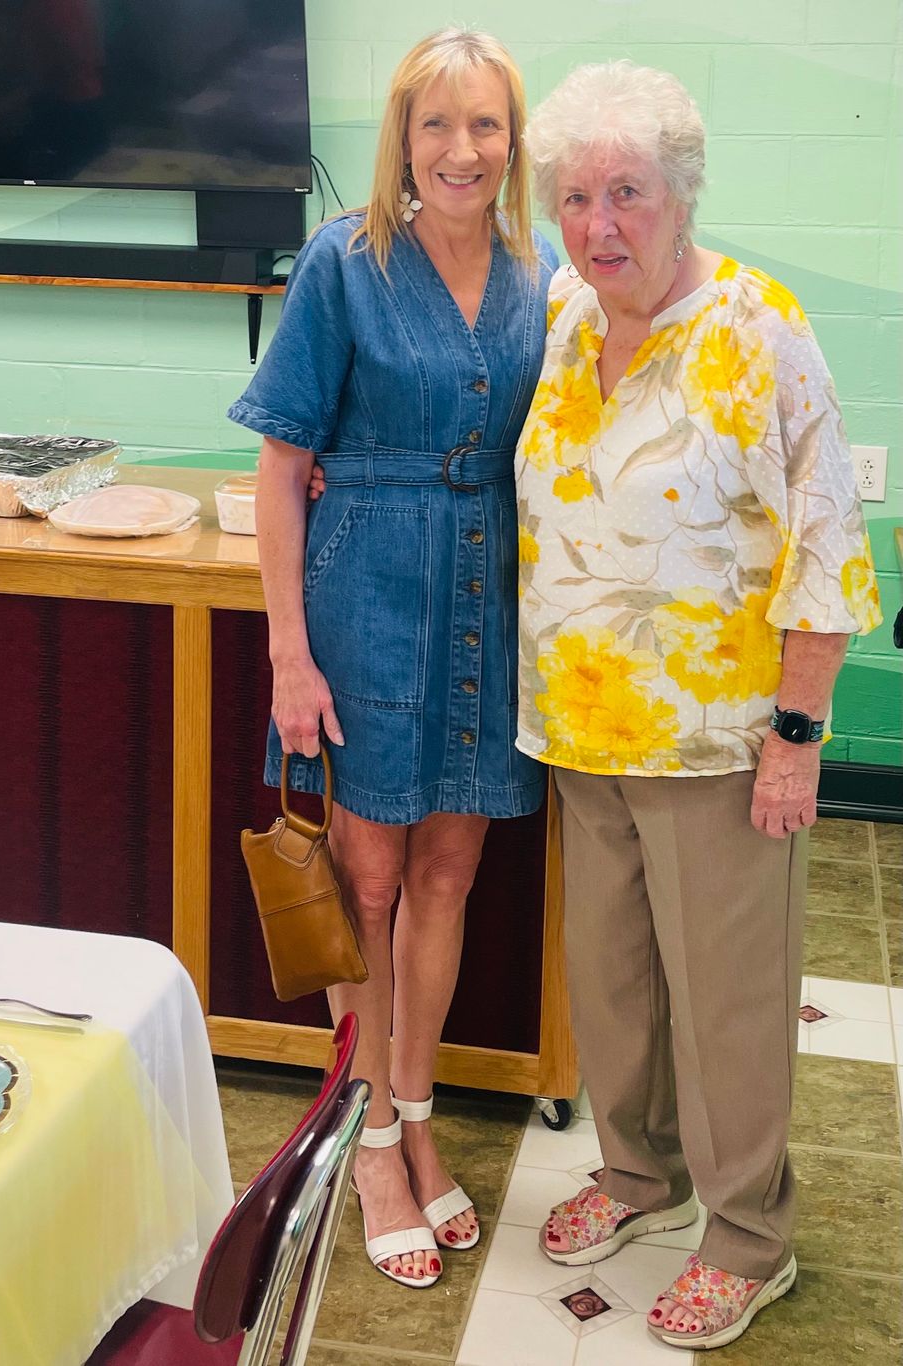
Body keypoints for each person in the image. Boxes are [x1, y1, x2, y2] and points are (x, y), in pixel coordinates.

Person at [516, 61, 882, 1348]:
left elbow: (830, 544)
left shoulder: (760, 325)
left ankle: (749, 1233)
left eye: (627, 192)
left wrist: (797, 735)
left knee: (727, 996)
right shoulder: (565, 312)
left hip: (722, 738)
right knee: (613, 986)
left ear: (681, 194)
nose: (600, 222)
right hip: (575, 725)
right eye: (573, 196)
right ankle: (638, 1174)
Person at [227, 27, 556, 1288]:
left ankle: (417, 1119)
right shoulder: (345, 262)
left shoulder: (540, 273)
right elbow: (278, 458)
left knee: (451, 871)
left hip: (489, 597)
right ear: (402, 139)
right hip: (364, 587)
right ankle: (366, 1138)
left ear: (511, 139)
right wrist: (288, 658)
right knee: (367, 880)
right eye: (437, 124)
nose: (462, 149)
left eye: (484, 125)